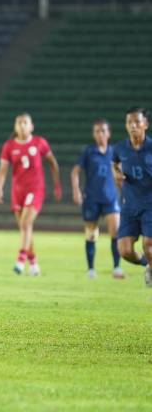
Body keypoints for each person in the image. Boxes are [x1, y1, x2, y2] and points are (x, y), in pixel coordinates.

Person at [0, 113, 62, 276]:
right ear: (15, 126)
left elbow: (53, 163)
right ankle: (33, 264)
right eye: (19, 123)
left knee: (25, 224)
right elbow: (3, 170)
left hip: (36, 189)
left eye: (25, 123)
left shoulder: (40, 143)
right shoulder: (9, 146)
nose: (22, 126)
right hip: (17, 191)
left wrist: (57, 184)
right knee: (26, 228)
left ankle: (20, 260)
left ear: (32, 126)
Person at [70, 119, 123, 279]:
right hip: (91, 199)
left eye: (103, 130)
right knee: (91, 234)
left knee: (116, 232)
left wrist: (126, 193)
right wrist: (76, 190)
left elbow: (120, 175)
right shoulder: (88, 151)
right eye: (97, 131)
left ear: (109, 133)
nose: (100, 134)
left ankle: (117, 268)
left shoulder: (114, 152)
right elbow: (75, 172)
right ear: (94, 134)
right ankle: (91, 269)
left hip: (111, 198)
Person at [112, 107, 152, 287]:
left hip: (150, 205)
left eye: (137, 122)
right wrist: (116, 173)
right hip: (129, 206)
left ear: (146, 125)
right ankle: (147, 264)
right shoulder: (120, 148)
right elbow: (114, 162)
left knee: (148, 245)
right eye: (129, 122)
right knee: (125, 251)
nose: (133, 125)